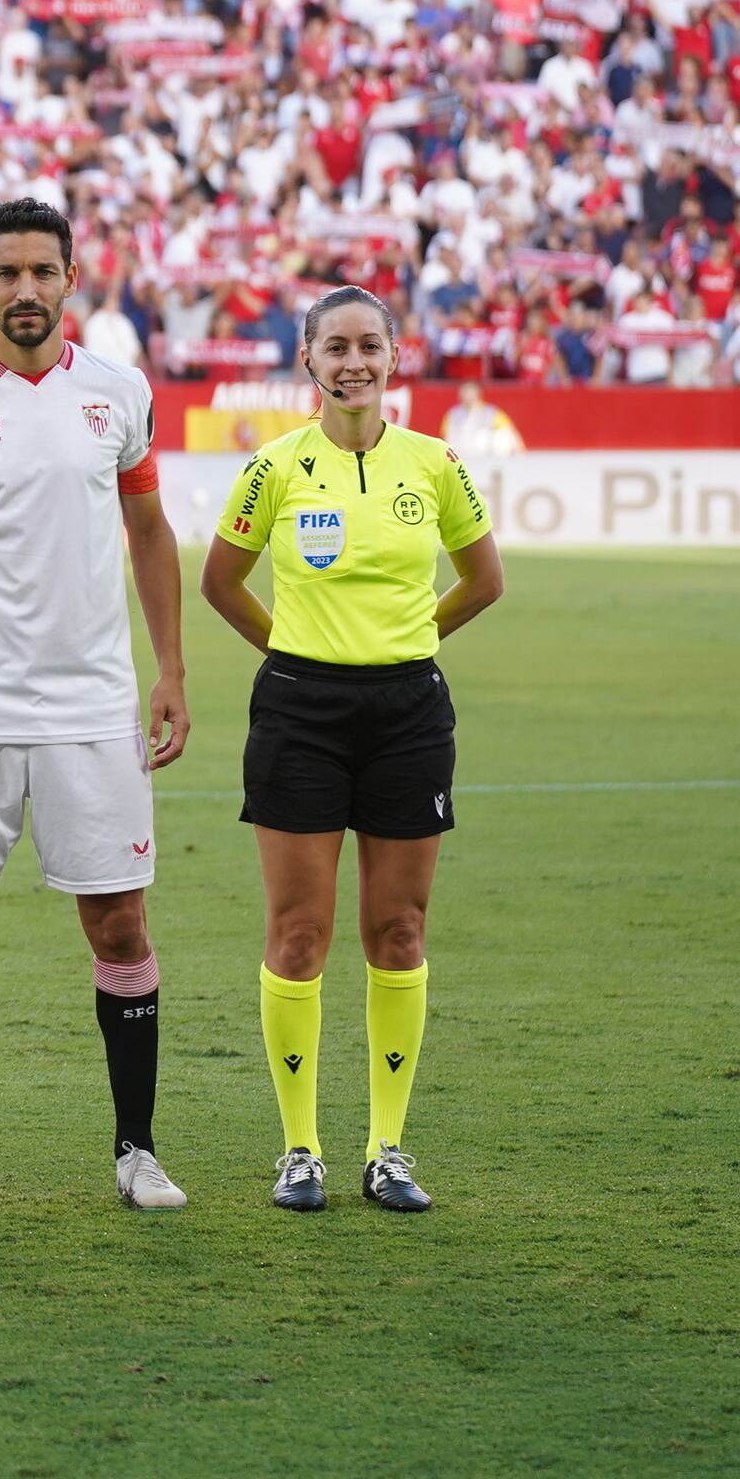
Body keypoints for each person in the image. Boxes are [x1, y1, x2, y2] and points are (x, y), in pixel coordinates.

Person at [0, 199, 193, 1213]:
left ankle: (135, 1150)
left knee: (117, 926)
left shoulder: (117, 392)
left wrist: (170, 668)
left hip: (93, 705)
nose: (22, 290)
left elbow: (148, 529)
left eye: (40, 272)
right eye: (2, 272)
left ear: (69, 278)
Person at [200, 286, 506, 1215]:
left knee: (399, 931)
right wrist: (293, 652)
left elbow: (484, 578)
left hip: (410, 709)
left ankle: (387, 1148)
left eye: (369, 344)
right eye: (335, 347)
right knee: (300, 934)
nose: (353, 362)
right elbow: (220, 581)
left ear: (394, 356)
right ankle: (300, 1149)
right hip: (299, 709)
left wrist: (413, 639)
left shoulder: (437, 464)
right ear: (308, 361)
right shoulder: (273, 469)